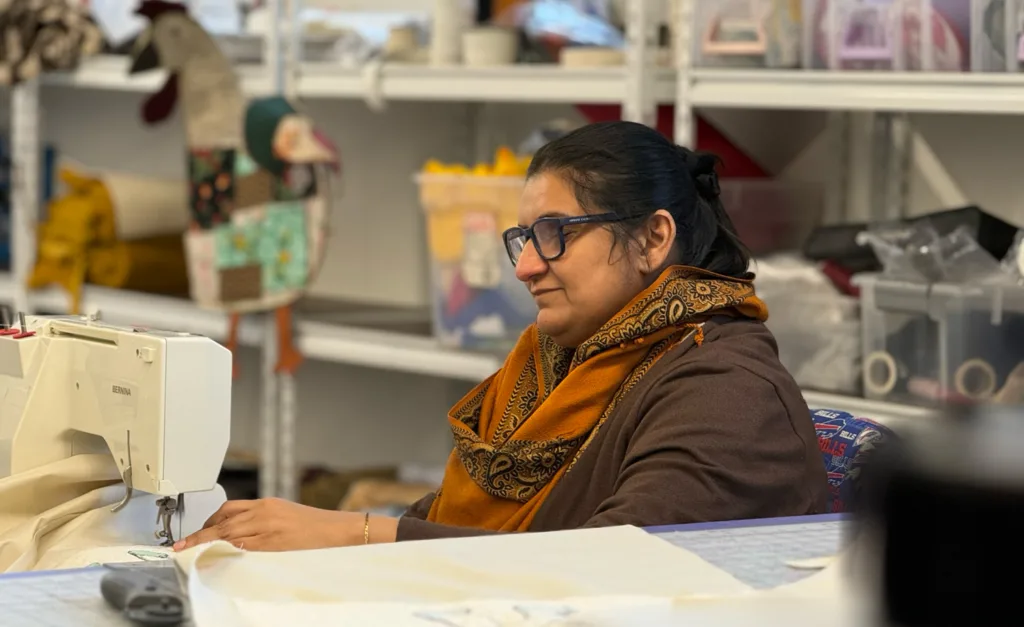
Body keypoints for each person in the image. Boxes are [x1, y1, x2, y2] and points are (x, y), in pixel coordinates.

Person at [174, 121, 829, 553]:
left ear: (654, 239)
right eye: (523, 238)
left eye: (556, 234)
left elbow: (620, 571)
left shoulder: (728, 391)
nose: (523, 267)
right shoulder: (562, 366)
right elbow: (461, 520)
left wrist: (355, 533)